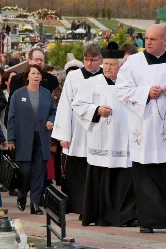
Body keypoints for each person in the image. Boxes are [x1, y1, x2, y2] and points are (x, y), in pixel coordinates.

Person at [115, 24, 166, 234]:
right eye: (146, 39)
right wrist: (145, 92)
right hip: (144, 128)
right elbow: (122, 90)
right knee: (146, 175)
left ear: (165, 40)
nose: (148, 42)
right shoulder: (134, 62)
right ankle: (148, 220)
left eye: (153, 39)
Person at [72, 42, 137, 227]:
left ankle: (125, 216)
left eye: (112, 65)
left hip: (123, 141)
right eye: (106, 64)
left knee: (124, 179)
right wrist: (97, 110)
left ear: (120, 66)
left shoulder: (128, 85)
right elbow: (78, 105)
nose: (107, 68)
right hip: (101, 139)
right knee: (101, 179)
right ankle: (100, 216)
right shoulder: (92, 83)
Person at [51, 42, 103, 217]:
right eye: (86, 59)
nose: (89, 64)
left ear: (100, 59)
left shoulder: (107, 76)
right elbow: (65, 106)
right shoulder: (74, 77)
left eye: (93, 60)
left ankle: (95, 207)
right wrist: (63, 134)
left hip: (100, 130)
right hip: (77, 131)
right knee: (78, 171)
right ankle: (79, 206)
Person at [7, 64, 57, 214]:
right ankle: (22, 194)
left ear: (41, 77)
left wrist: (51, 120)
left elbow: (54, 112)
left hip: (42, 137)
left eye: (38, 74)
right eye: (33, 73)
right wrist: (11, 139)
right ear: (27, 76)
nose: (36, 76)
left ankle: (35, 204)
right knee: (25, 172)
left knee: (39, 172)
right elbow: (11, 118)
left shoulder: (46, 93)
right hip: (23, 139)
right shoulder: (18, 94)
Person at [5, 48, 59, 127]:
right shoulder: (17, 79)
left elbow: (56, 104)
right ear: (29, 61)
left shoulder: (52, 79)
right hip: (23, 125)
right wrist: (9, 125)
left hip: (46, 126)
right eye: (36, 59)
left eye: (41, 60)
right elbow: (11, 104)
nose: (39, 62)